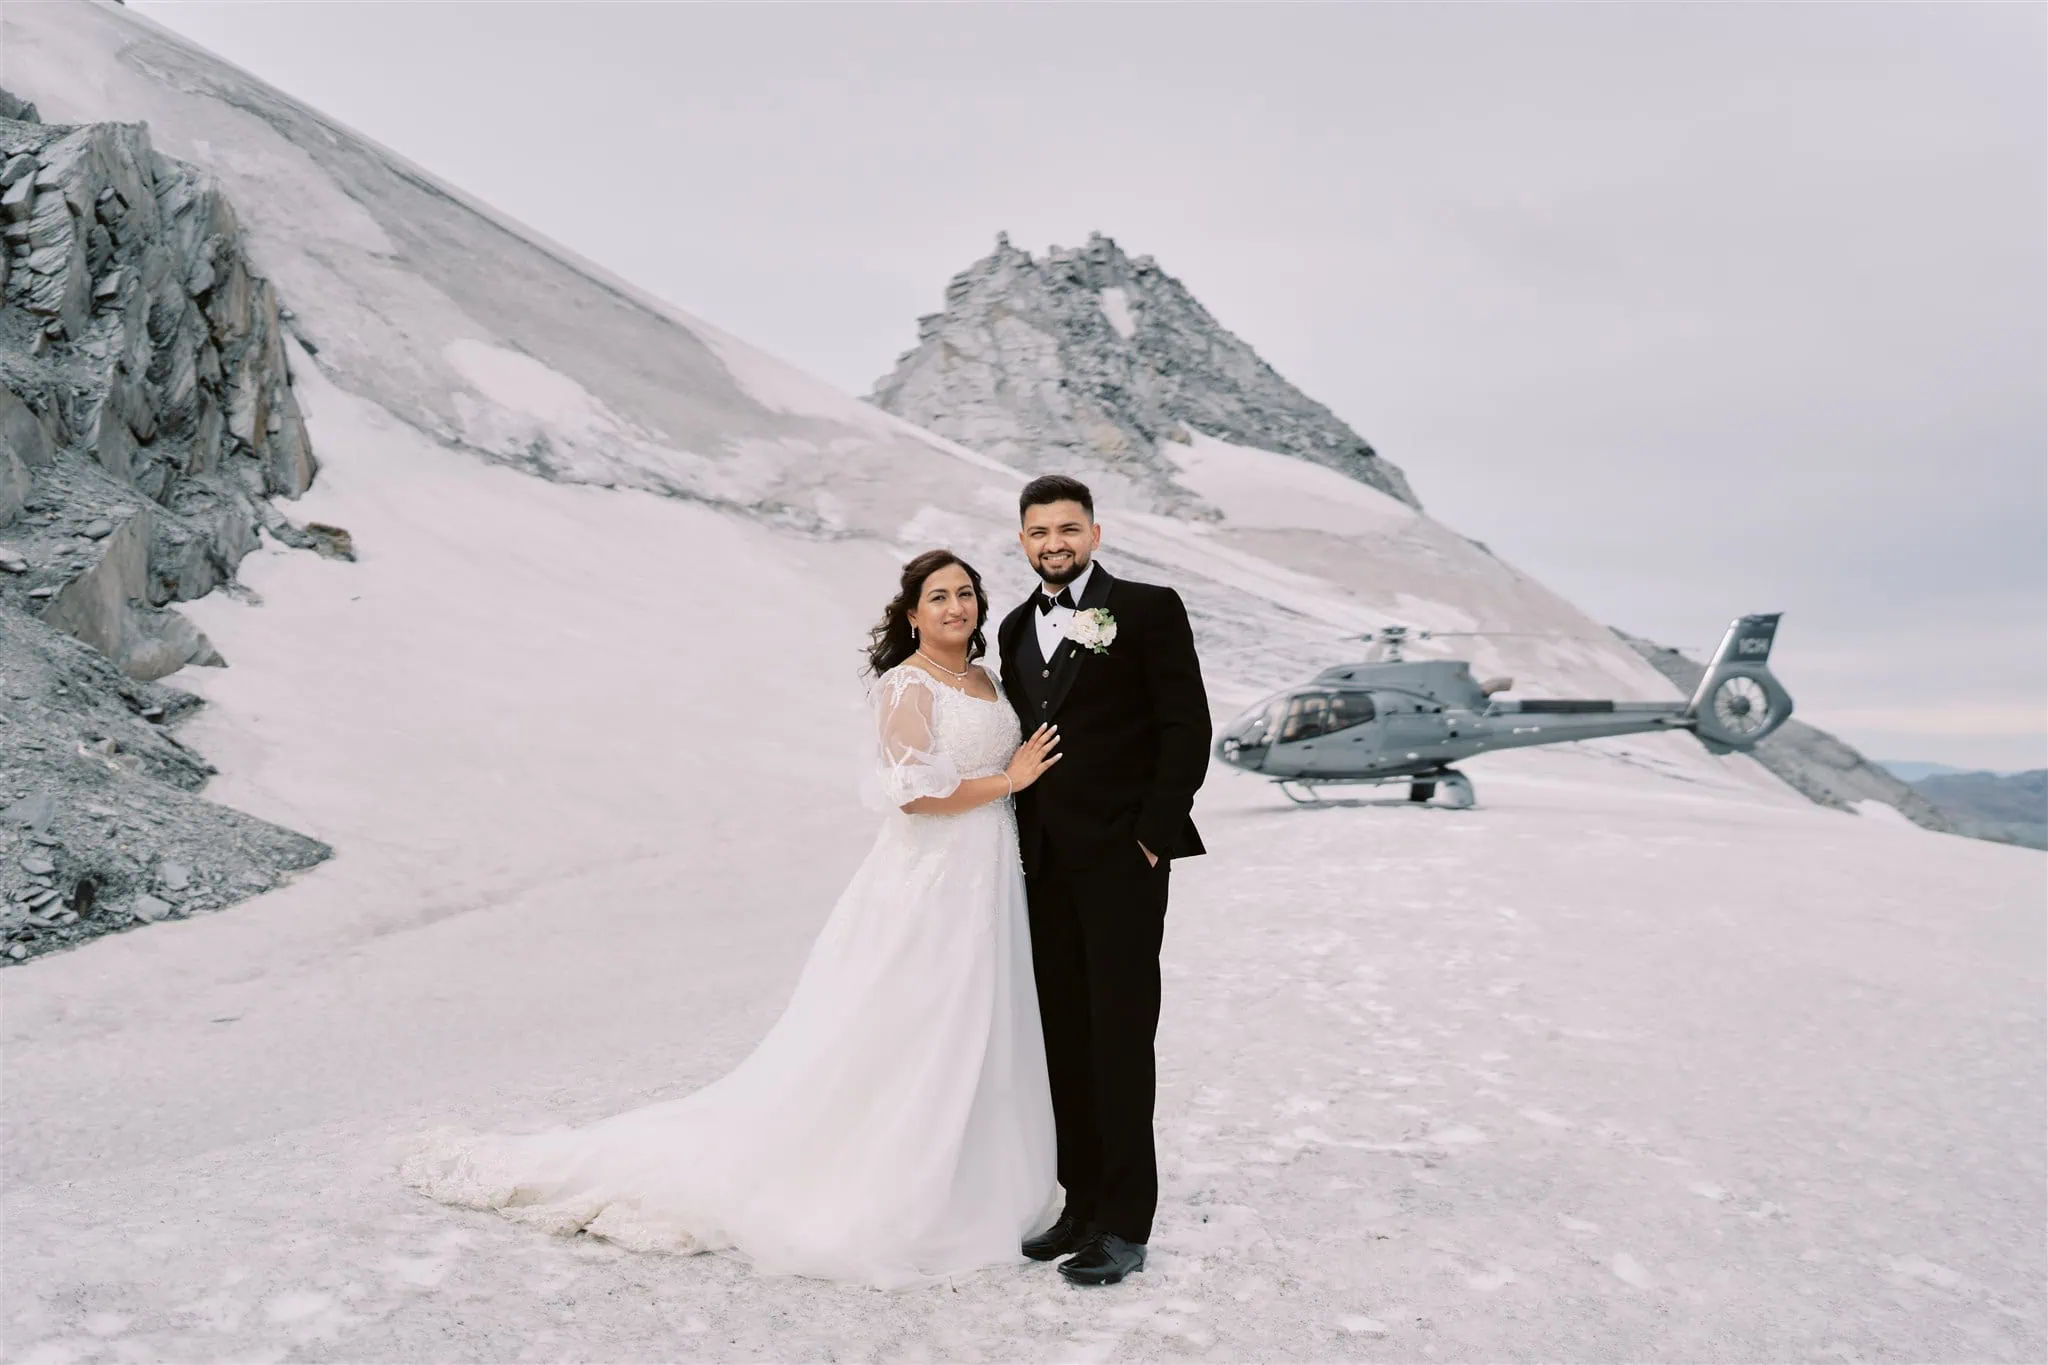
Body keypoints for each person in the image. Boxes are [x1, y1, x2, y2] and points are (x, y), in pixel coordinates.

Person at [398, 550, 1065, 1289]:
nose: (955, 607)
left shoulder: (986, 679)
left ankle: (970, 1172)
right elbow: (911, 792)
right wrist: (1008, 779)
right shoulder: (906, 684)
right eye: (937, 596)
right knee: (914, 1018)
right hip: (929, 880)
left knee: (979, 1017)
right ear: (912, 614)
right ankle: (893, 1179)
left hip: (988, 871)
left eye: (965, 593)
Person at [995, 474, 1212, 1287]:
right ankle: (1081, 1203)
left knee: (1120, 1038)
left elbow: (1186, 725)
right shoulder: (1013, 626)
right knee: (1064, 1038)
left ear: (1094, 532)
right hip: (1042, 864)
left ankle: (1124, 1222)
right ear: (1023, 540)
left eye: (1067, 528)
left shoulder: (1148, 608)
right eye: (1038, 531)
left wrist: (1152, 836)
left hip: (1124, 861)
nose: (1053, 542)